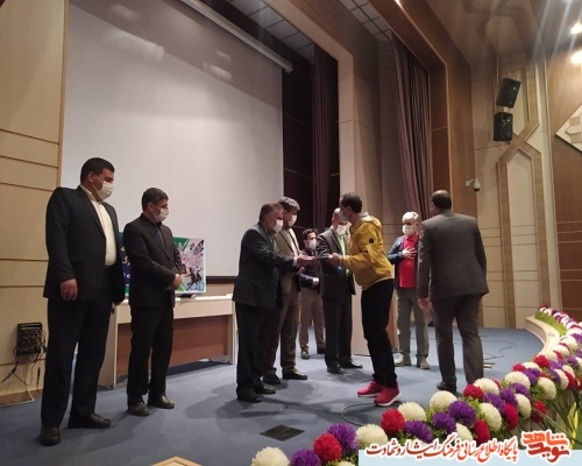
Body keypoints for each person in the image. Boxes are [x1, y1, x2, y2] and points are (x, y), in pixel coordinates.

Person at [40, 157, 125, 446]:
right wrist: (65, 275)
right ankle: (51, 422)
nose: (110, 185)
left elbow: (112, 251)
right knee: (61, 356)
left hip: (103, 289)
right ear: (91, 176)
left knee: (93, 354)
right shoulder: (65, 198)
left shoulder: (109, 210)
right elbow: (56, 239)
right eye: (108, 179)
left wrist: (117, 290)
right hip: (72, 288)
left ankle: (83, 412)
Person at [232, 203, 313, 403]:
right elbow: (269, 258)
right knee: (249, 344)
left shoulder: (268, 235)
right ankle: (245, 387)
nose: (281, 221)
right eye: (278, 218)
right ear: (268, 218)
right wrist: (295, 261)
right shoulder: (254, 234)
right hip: (250, 299)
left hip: (263, 298)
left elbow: (274, 263)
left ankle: (256, 381)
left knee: (260, 343)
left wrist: (294, 267)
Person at [328, 193, 400, 407]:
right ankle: (379, 380)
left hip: (380, 281)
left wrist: (342, 260)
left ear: (349, 209)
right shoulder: (356, 228)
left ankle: (391, 385)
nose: (340, 212)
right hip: (369, 284)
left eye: (341, 208)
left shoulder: (367, 227)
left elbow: (370, 258)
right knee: (371, 334)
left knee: (378, 334)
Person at [417, 190, 488, 394]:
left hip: (443, 289)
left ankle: (449, 382)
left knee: (444, 336)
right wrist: (479, 283)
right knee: (471, 334)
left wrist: (422, 293)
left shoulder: (428, 226)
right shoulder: (470, 222)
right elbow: (481, 256)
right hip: (471, 286)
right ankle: (476, 385)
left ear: (433, 205)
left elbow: (423, 263)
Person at [123, 188, 182, 416]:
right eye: (163, 206)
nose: (167, 210)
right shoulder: (134, 229)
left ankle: (158, 392)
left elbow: (175, 258)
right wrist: (169, 278)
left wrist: (175, 275)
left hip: (166, 300)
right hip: (146, 300)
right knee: (141, 350)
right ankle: (135, 398)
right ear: (150, 206)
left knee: (163, 348)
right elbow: (142, 262)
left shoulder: (166, 230)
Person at [262, 197, 308, 384]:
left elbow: (293, 255)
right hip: (279, 287)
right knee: (274, 330)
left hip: (294, 284)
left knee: (291, 328)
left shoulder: (292, 232)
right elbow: (274, 257)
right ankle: (268, 369)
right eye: (292, 213)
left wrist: (300, 261)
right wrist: (295, 262)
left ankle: (289, 366)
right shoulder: (274, 232)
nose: (294, 217)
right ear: (284, 212)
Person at [316, 208, 362, 375]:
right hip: (332, 286)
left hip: (346, 286)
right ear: (333, 219)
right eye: (341, 222)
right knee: (333, 326)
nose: (344, 225)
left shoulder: (346, 237)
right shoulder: (324, 237)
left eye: (345, 222)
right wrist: (342, 265)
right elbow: (324, 258)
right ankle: (332, 361)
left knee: (346, 325)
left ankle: (345, 358)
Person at [387, 211, 430, 370]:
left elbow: (429, 263)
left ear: (417, 225)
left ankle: (422, 357)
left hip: (418, 290)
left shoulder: (423, 241)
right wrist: (401, 254)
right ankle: (404, 355)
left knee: (421, 324)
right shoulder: (399, 241)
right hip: (401, 289)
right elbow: (388, 258)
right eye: (404, 223)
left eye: (409, 223)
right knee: (402, 324)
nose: (405, 226)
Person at [298, 228, 325, 360]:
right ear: (305, 241)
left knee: (319, 320)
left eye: (315, 238)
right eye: (311, 238)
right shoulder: (302, 255)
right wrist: (310, 280)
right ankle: (304, 347)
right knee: (304, 321)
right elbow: (299, 275)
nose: (314, 241)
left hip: (318, 291)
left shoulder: (318, 254)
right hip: (306, 291)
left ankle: (321, 345)